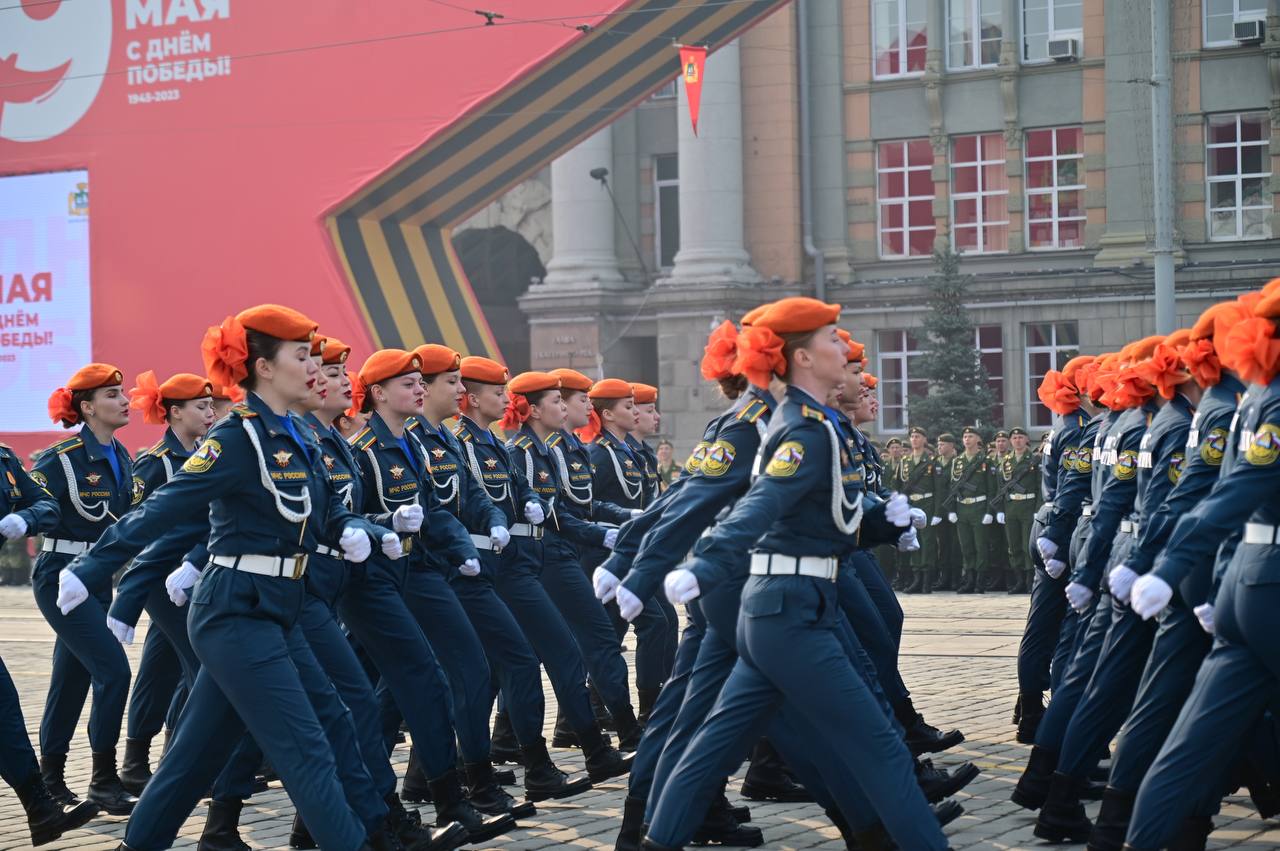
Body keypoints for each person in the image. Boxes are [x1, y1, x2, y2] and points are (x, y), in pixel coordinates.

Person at [61, 305, 405, 851]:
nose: (315, 369)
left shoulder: (301, 436)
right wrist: (92, 565)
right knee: (307, 745)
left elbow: (322, 512)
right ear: (264, 368)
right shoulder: (237, 440)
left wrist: (361, 527)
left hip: (280, 606)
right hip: (235, 612)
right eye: (300, 357)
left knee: (201, 753)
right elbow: (166, 509)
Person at [638, 298, 949, 851]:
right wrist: (657, 566)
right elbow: (739, 503)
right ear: (801, 356)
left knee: (713, 739)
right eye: (834, 341)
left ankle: (654, 840)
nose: (845, 351)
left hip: (784, 599)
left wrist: (882, 521)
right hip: (776, 602)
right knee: (875, 743)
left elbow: (825, 514)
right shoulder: (789, 427)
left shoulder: (813, 422)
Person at [1085, 299, 1253, 849]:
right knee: (1170, 708)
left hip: (1187, 567)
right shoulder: (1220, 413)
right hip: (1202, 575)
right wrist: (1171, 574)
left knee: (1174, 706)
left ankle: (1130, 823)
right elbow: (1194, 501)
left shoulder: (1200, 413)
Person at [1122, 285, 1280, 849]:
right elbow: (1228, 495)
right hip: (1270, 583)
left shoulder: (1255, 398)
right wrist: (1167, 569)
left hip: (1246, 582)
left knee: (1188, 748)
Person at [346, 348, 517, 845]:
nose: (419, 389)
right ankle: (445, 794)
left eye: (423, 382)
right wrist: (384, 526)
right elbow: (346, 517)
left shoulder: (417, 446)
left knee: (430, 680)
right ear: (378, 392)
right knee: (393, 689)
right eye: (408, 384)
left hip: (422, 572)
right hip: (377, 580)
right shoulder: (365, 453)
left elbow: (438, 510)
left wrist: (464, 546)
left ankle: (452, 794)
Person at [456, 358, 634, 784]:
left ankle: (564, 752)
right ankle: (496, 763)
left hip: (531, 559)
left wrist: (598, 533)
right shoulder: (488, 445)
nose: (504, 399)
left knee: (519, 661)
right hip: (502, 563)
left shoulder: (513, 447)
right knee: (506, 664)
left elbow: (553, 513)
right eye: (557, 400)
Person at [1012, 337, 1164, 820]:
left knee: (1085, 662)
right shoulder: (1107, 428)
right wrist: (1063, 542)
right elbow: (1089, 492)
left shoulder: (1099, 427)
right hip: (1107, 544)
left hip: (1093, 540)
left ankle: (1049, 774)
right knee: (1094, 665)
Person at [34, 363, 139, 815]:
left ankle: (51, 781)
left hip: (97, 576)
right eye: (112, 395)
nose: (124, 400)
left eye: (123, 392)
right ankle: (102, 778)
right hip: (61, 573)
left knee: (71, 678)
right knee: (114, 671)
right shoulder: (59, 459)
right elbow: (34, 503)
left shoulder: (123, 457)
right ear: (88, 407)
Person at [117, 371, 216, 796]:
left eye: (211, 405)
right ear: (174, 413)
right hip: (162, 578)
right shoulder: (155, 463)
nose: (210, 413)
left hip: (195, 576)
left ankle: (137, 762)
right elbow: (137, 526)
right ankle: (184, 762)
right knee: (201, 666)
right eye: (201, 406)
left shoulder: (208, 455)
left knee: (159, 670)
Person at [0, 440, 99, 845]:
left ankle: (40, 810)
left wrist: (25, 519)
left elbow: (46, 504)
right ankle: (40, 809)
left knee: (4, 707)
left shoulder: (4, 458)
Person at [1014, 355, 1096, 741]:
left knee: (1040, 625)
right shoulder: (1080, 427)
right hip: (1061, 531)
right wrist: (1059, 542)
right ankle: (1044, 717)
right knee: (1062, 631)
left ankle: (1029, 709)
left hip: (1045, 524)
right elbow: (1073, 488)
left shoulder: (1061, 423)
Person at [582, 378, 673, 721]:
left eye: (639, 407)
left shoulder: (631, 452)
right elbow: (585, 504)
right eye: (630, 407)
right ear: (607, 415)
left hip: (634, 553)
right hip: (608, 555)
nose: (636, 414)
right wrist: (624, 518)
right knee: (652, 623)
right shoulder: (599, 455)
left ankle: (593, 704)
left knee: (617, 632)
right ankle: (647, 707)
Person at [948, 426, 995, 594]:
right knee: (966, 546)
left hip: (979, 507)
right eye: (965, 436)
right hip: (962, 508)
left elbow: (992, 489)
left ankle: (980, 581)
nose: (967, 439)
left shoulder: (985, 460)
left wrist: (990, 511)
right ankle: (969, 579)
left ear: (978, 440)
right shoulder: (957, 461)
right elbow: (953, 487)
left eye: (970, 436)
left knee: (980, 546)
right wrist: (952, 509)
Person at [994, 427, 1040, 594]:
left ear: (1026, 439)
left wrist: (1038, 508)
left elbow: (1039, 486)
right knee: (1013, 546)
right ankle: (1019, 580)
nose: (1017, 441)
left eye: (1021, 437)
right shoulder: (1005, 461)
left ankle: (1030, 581)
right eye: (1014, 438)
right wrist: (1000, 509)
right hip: (1011, 507)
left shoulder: (1034, 459)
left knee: (1027, 545)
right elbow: (1000, 487)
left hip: (1028, 506)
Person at [898, 427, 937, 594]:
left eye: (918, 436)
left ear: (924, 440)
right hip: (910, 505)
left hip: (927, 502)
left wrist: (937, 512)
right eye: (912, 436)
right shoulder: (904, 462)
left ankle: (927, 579)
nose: (914, 439)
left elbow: (939, 488)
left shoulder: (931, 461)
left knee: (927, 542)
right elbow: (898, 486)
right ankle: (916, 578)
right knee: (913, 539)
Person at [932, 434, 962, 591]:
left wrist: (953, 510)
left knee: (955, 546)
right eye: (938, 444)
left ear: (951, 445)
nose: (939, 447)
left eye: (943, 444)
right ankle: (945, 578)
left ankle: (956, 579)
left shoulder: (958, 463)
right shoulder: (936, 463)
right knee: (943, 546)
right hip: (940, 510)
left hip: (955, 510)